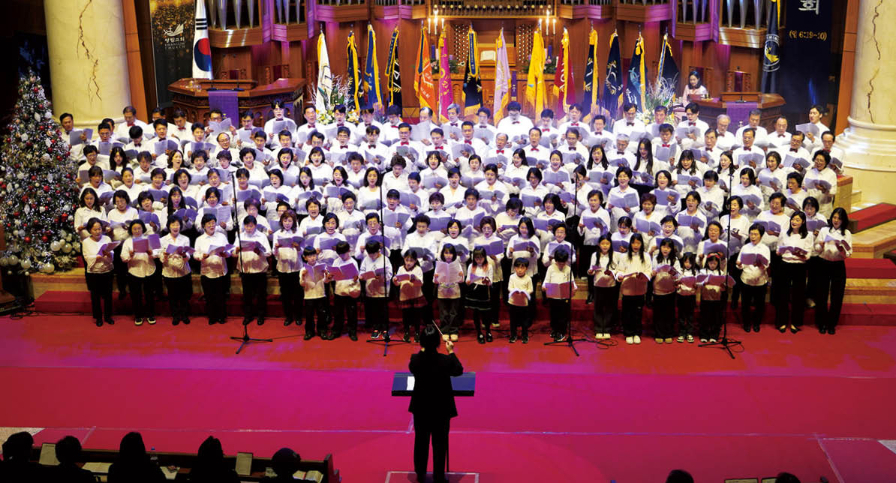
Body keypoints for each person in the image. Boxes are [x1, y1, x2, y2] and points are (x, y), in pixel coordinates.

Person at [408, 325, 464, 483]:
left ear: (422, 342)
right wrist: (451, 351)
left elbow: (414, 364)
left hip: (422, 409)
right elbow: (459, 369)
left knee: (421, 441)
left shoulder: (415, 360)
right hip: (441, 409)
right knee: (440, 443)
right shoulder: (445, 361)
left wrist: (423, 349)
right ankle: (439, 475)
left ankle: (420, 473)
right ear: (438, 343)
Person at [814, 207, 852, 335]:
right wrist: (821, 245)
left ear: (843, 220)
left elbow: (848, 254)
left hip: (838, 265)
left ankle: (832, 324)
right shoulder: (824, 230)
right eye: (835, 217)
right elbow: (816, 248)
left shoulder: (846, 233)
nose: (836, 220)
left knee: (837, 296)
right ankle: (821, 323)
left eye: (839, 218)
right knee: (821, 294)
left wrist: (840, 249)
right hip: (823, 263)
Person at [738, 223, 771, 333]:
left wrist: (760, 264)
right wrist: (738, 265)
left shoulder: (765, 248)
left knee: (759, 304)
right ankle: (746, 323)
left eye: (755, 234)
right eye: (751, 234)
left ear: (761, 235)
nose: (753, 236)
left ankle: (756, 323)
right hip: (746, 279)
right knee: (745, 304)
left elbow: (766, 265)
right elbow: (740, 263)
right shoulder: (745, 247)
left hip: (760, 280)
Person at [83, 218, 116, 327]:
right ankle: (98, 317)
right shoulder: (86, 242)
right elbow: (87, 257)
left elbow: (112, 253)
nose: (98, 231)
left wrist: (109, 254)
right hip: (94, 272)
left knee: (108, 296)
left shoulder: (106, 238)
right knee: (95, 296)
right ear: (89, 230)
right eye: (95, 230)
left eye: (99, 229)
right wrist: (97, 256)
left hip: (107, 270)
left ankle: (108, 316)